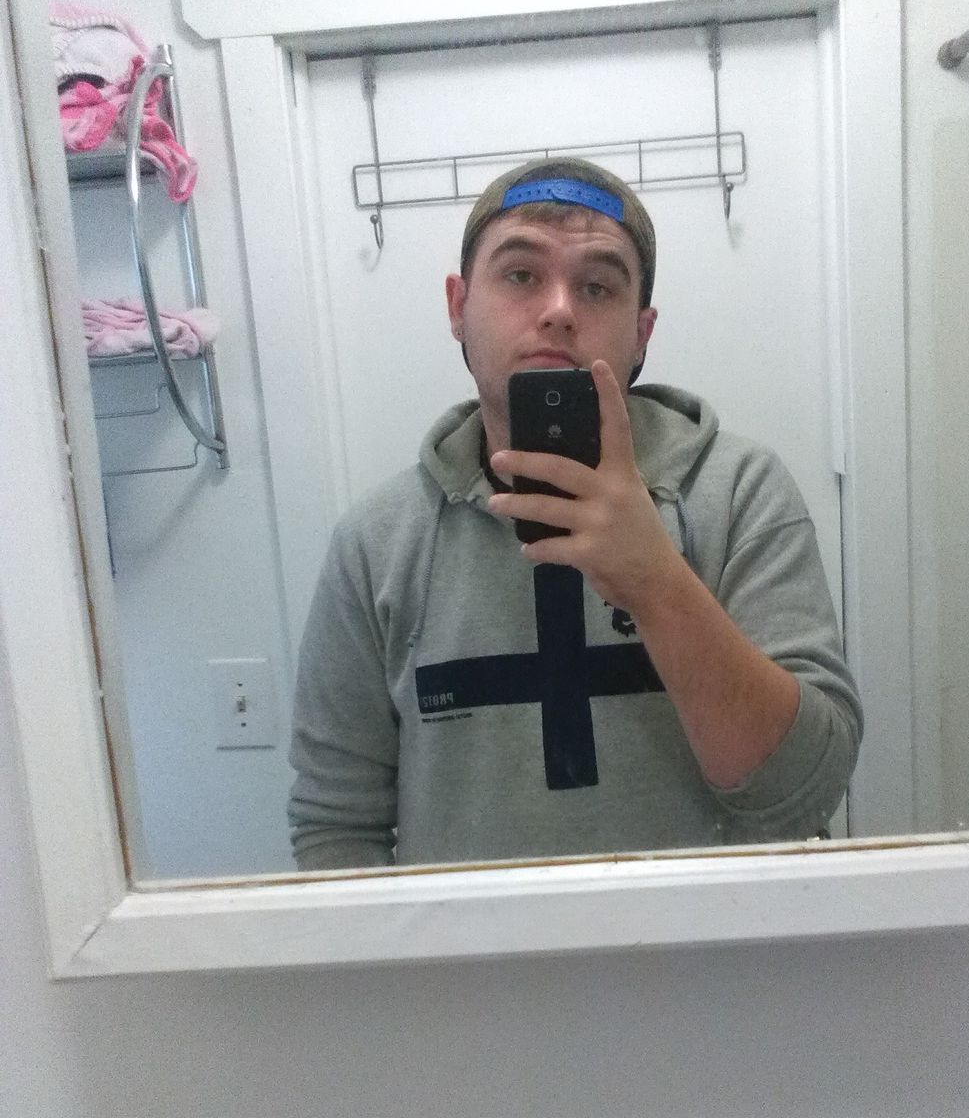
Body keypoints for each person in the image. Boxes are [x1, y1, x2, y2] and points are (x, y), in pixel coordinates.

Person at [287, 157, 863, 869]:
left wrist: (657, 582)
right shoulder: (375, 543)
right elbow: (336, 825)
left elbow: (804, 792)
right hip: (471, 946)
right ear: (457, 307)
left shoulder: (741, 492)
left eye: (597, 286)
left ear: (642, 333)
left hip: (714, 943)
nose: (559, 309)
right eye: (520, 275)